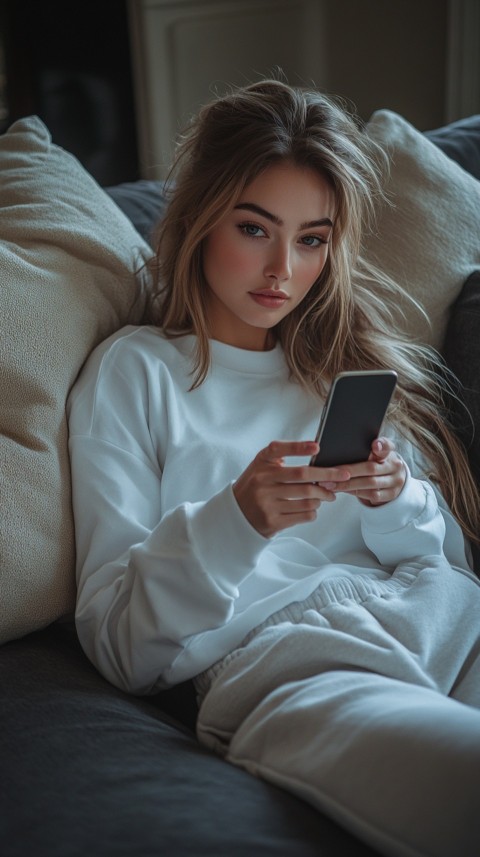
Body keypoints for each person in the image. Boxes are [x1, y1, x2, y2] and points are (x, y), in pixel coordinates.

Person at [67, 80, 480, 857]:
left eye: (312, 239)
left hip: (444, 617)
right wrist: (237, 518)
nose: (283, 270)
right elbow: (121, 644)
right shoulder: (136, 373)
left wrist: (398, 497)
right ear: (196, 218)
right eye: (255, 228)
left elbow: (447, 560)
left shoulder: (344, 368)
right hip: (298, 664)